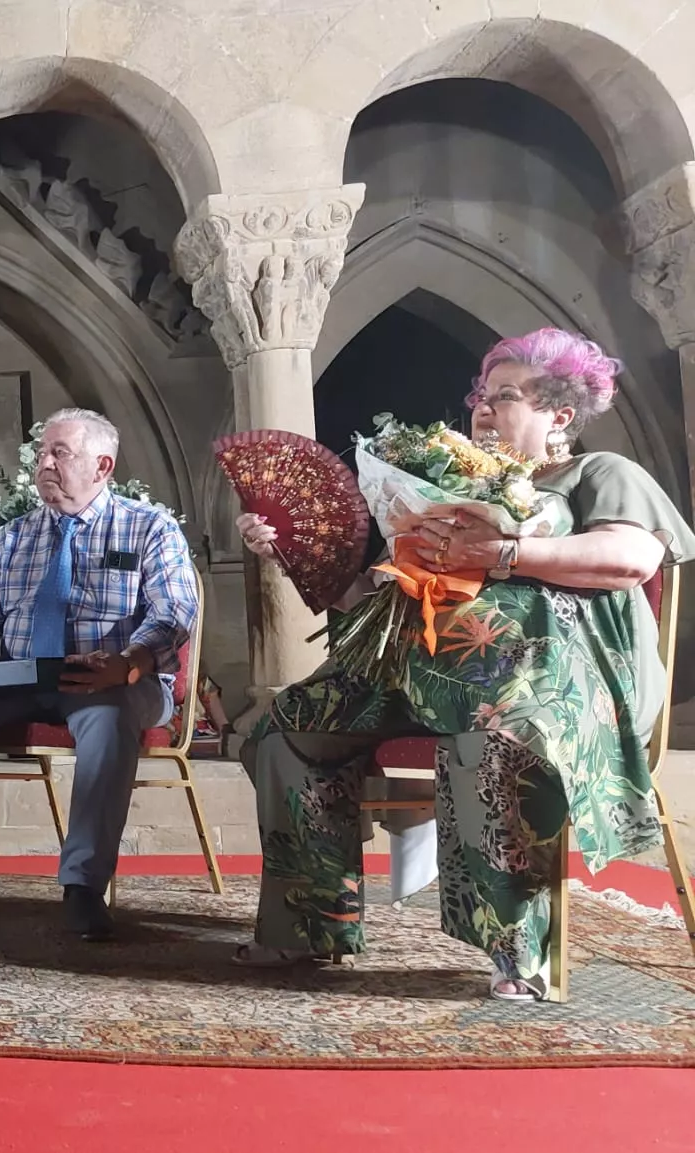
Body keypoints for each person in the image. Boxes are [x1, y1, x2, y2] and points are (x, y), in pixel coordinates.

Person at [235, 328, 695, 1001]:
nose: (483, 407)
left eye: (505, 396)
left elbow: (630, 559)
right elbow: (370, 597)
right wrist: (288, 551)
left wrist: (503, 554)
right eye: (481, 395)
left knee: (495, 730)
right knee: (287, 726)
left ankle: (517, 952)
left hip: (553, 679)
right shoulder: (437, 487)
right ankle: (310, 923)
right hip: (418, 669)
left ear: (559, 414)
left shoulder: (597, 475)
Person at [0, 409, 199, 941]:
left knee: (106, 714)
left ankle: (83, 886)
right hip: (22, 679)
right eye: (43, 453)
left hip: (115, 679)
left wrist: (130, 663)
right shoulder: (14, 538)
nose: (46, 463)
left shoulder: (148, 528)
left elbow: (175, 613)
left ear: (103, 466)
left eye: (62, 453)